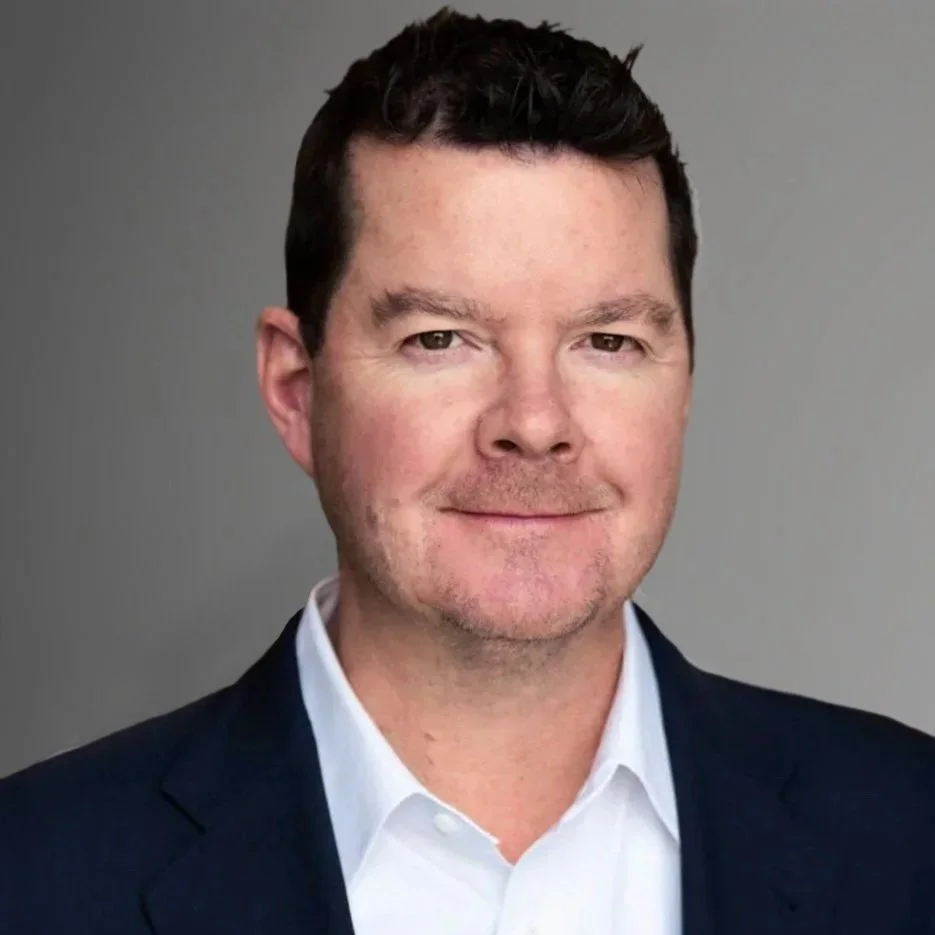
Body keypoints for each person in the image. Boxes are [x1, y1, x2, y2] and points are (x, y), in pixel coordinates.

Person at [2, 7, 934, 934]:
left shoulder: (910, 837)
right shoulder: (32, 876)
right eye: (440, 338)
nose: (534, 423)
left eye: (606, 340)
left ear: (682, 381)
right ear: (297, 390)